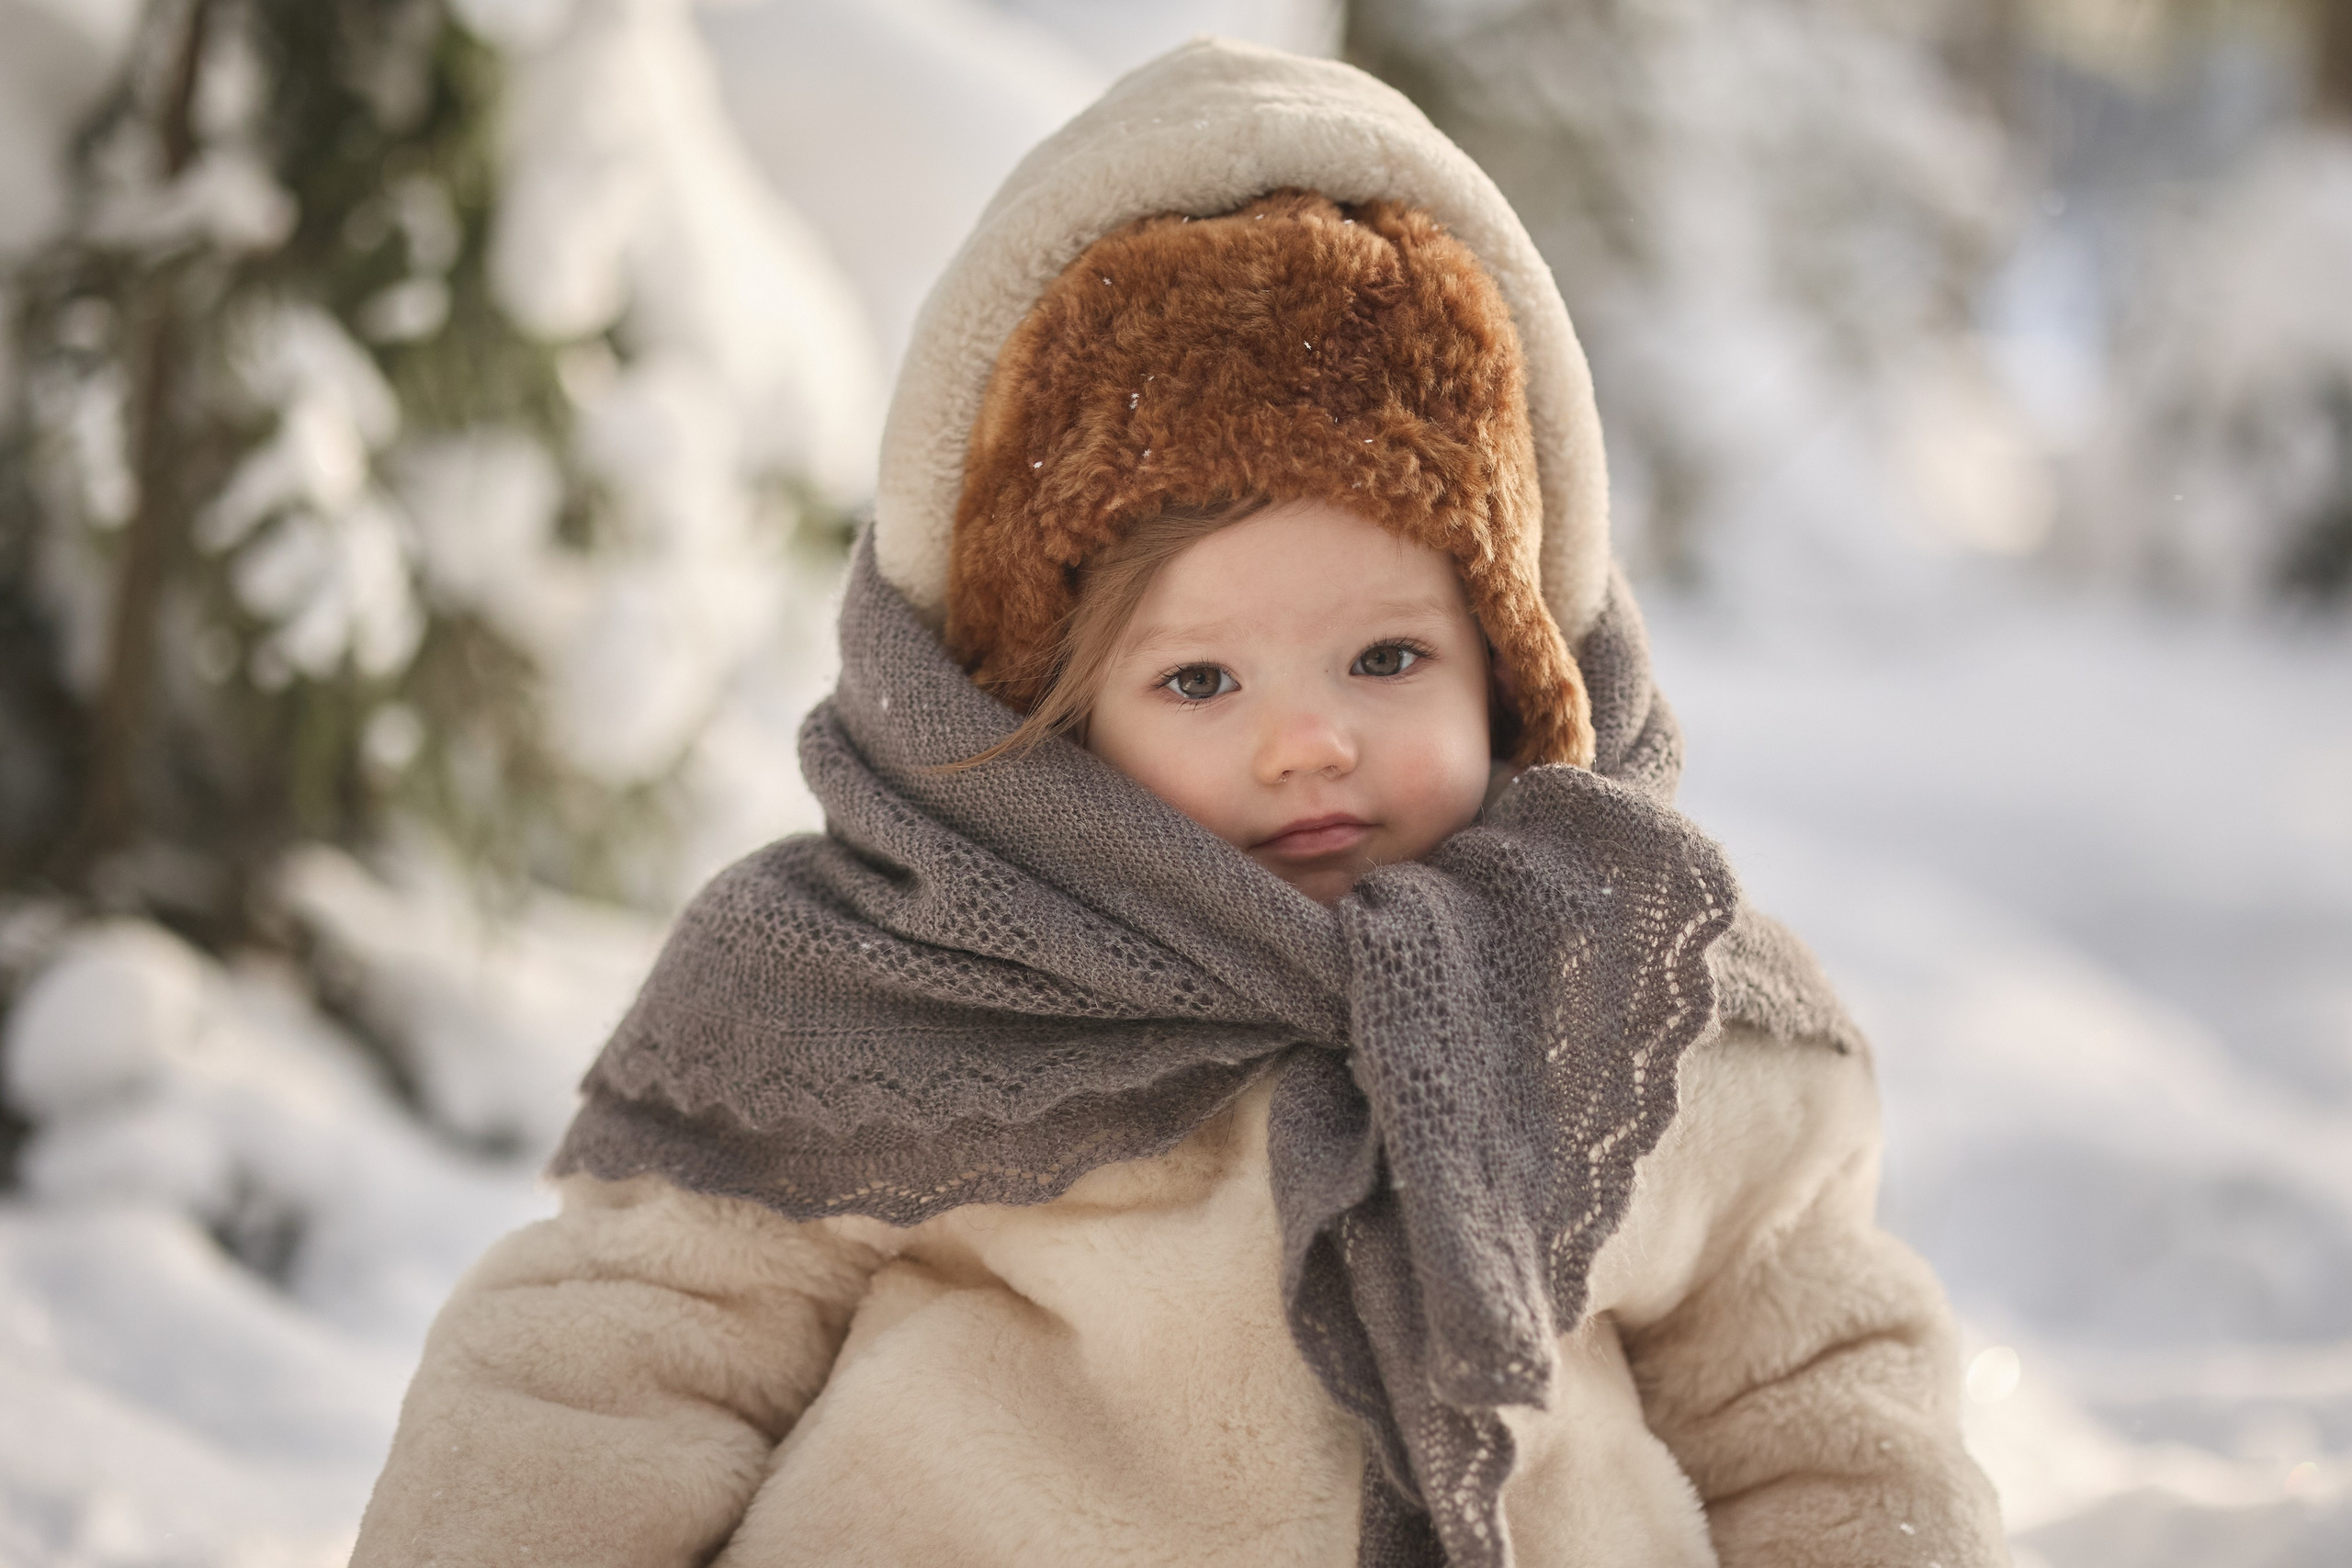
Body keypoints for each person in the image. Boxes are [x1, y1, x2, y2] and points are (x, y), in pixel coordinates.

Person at [352, 39, 2007, 1568]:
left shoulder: (1632, 992)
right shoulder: (881, 983)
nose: (1307, 746)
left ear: (1516, 666)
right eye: (1202, 682)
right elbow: (612, 1368)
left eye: (1383, 657)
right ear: (1035, 709)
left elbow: (1819, 1410)